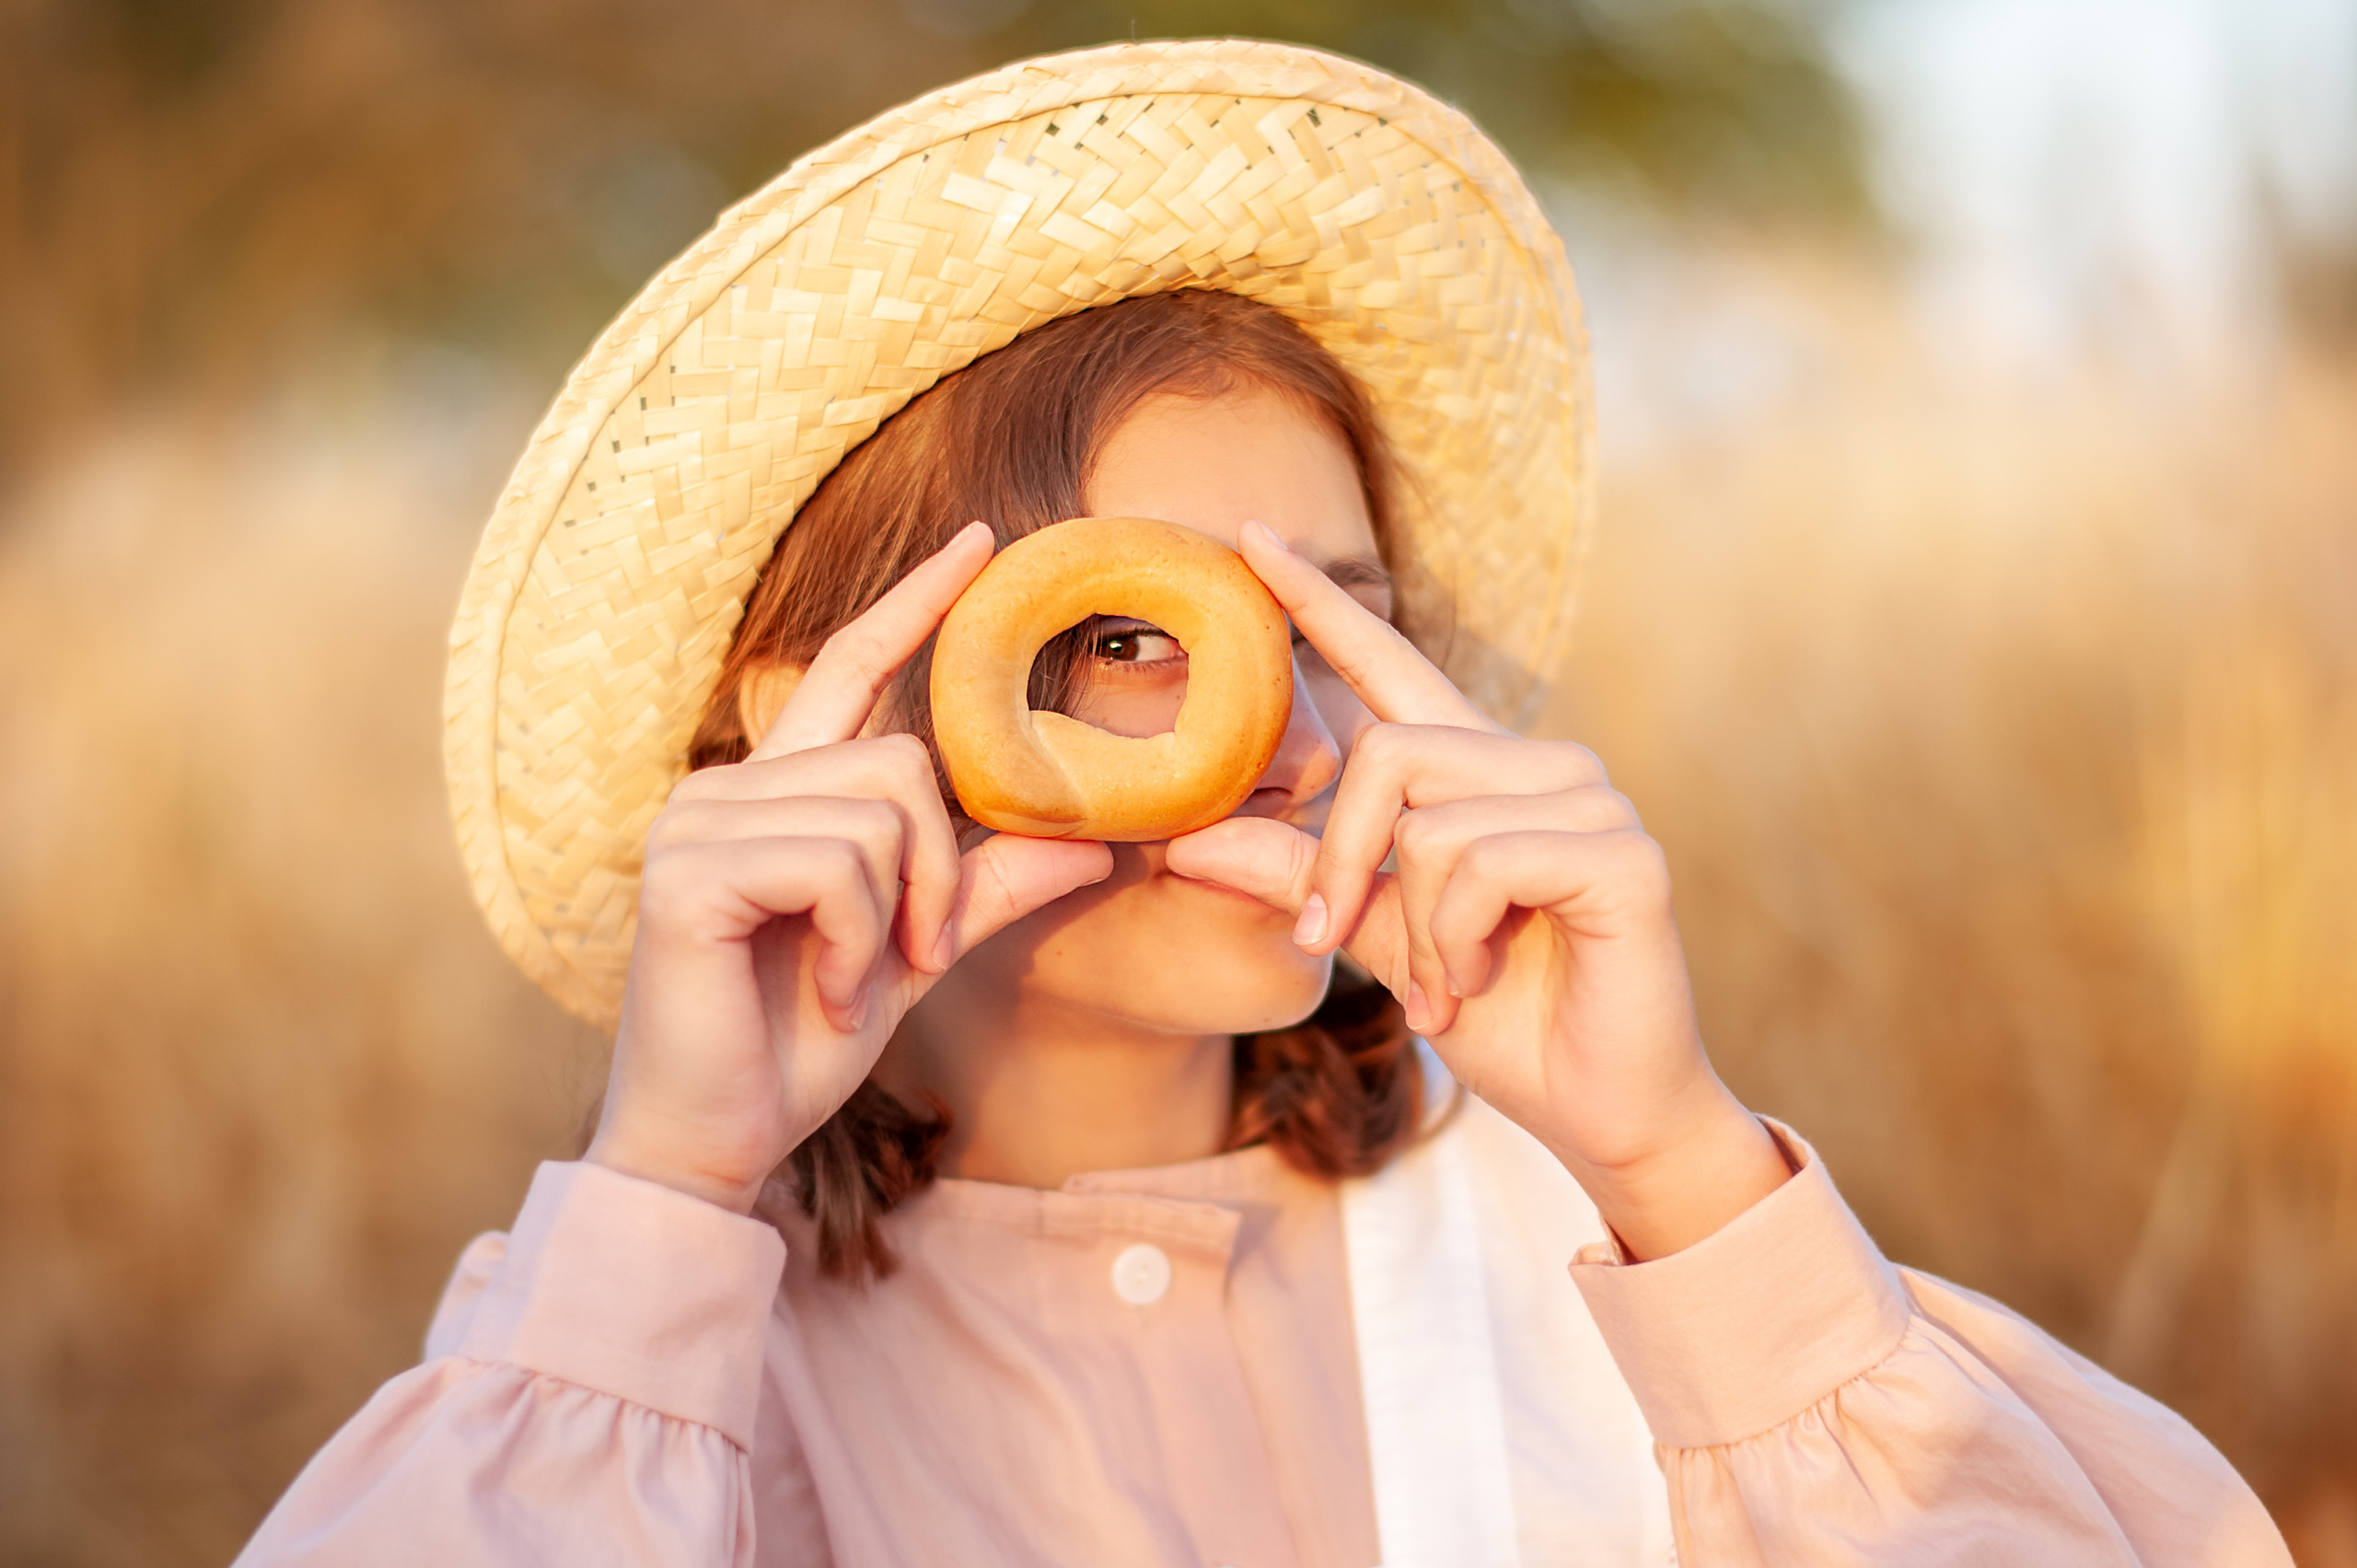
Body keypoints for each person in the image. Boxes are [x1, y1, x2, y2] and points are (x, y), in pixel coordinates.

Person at [238, 40, 2291, 1568]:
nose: (1288, 735)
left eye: (1342, 624)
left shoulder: (1595, 1285)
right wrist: (668, 1183)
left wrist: (1671, 1166)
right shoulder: (634, 1382)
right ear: (812, 709)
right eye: (1129, 636)